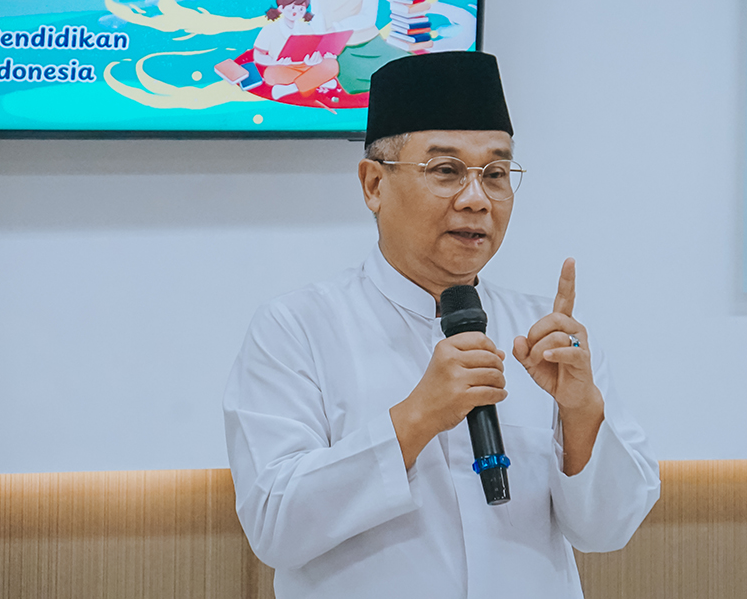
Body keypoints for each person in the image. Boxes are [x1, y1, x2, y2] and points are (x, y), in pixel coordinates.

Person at [223, 51, 660, 599]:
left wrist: (580, 412)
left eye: (495, 175)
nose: (476, 200)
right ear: (373, 184)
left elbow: (609, 530)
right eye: (446, 171)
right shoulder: (296, 329)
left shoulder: (547, 338)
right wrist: (416, 418)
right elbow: (274, 526)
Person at [253, 0, 339, 100]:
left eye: (301, 9)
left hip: (306, 66)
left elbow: (313, 50)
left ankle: (291, 88)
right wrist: (275, 61)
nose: (296, 12)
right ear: (281, 8)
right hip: (282, 68)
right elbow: (258, 55)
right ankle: (317, 81)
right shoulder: (270, 29)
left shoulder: (306, 28)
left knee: (332, 64)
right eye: (293, 7)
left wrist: (314, 60)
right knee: (270, 75)